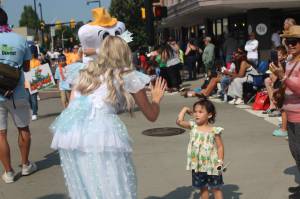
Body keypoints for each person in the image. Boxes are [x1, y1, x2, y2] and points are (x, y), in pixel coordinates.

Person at [50, 36, 166, 198]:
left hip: (70, 133)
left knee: (87, 187)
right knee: (112, 184)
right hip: (101, 131)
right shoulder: (126, 75)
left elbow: (72, 105)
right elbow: (151, 115)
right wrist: (156, 99)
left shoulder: (84, 72)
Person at [0, 8, 37, 183]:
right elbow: (27, 68)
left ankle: (8, 173)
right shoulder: (20, 40)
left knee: (1, 134)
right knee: (24, 129)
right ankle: (25, 165)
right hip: (17, 93)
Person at [176, 97, 224, 199]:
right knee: (203, 188)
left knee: (216, 188)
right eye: (195, 111)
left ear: (209, 115)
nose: (197, 114)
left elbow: (220, 147)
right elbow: (179, 121)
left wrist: (220, 161)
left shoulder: (214, 130)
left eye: (201, 112)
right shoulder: (193, 126)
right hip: (198, 165)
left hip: (213, 165)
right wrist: (185, 109)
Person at [270, 25, 300, 174]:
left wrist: (283, 77)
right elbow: (288, 84)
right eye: (288, 41)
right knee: (295, 151)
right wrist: (279, 91)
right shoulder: (289, 60)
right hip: (290, 114)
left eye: (295, 42)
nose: (290, 45)